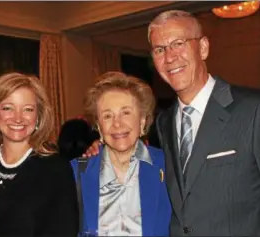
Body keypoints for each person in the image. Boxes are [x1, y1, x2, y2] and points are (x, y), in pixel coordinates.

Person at [84, 10, 260, 236]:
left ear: (203, 48)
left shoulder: (252, 109)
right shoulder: (165, 122)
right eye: (159, 49)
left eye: (178, 43)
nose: (169, 57)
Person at [0, 72, 79, 237]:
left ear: (38, 117)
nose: (18, 118)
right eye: (8, 108)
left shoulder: (55, 169)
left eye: (28, 109)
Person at [71, 72, 171, 236]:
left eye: (126, 113)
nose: (117, 124)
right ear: (99, 126)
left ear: (142, 121)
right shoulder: (76, 172)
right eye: (108, 115)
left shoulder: (168, 167)